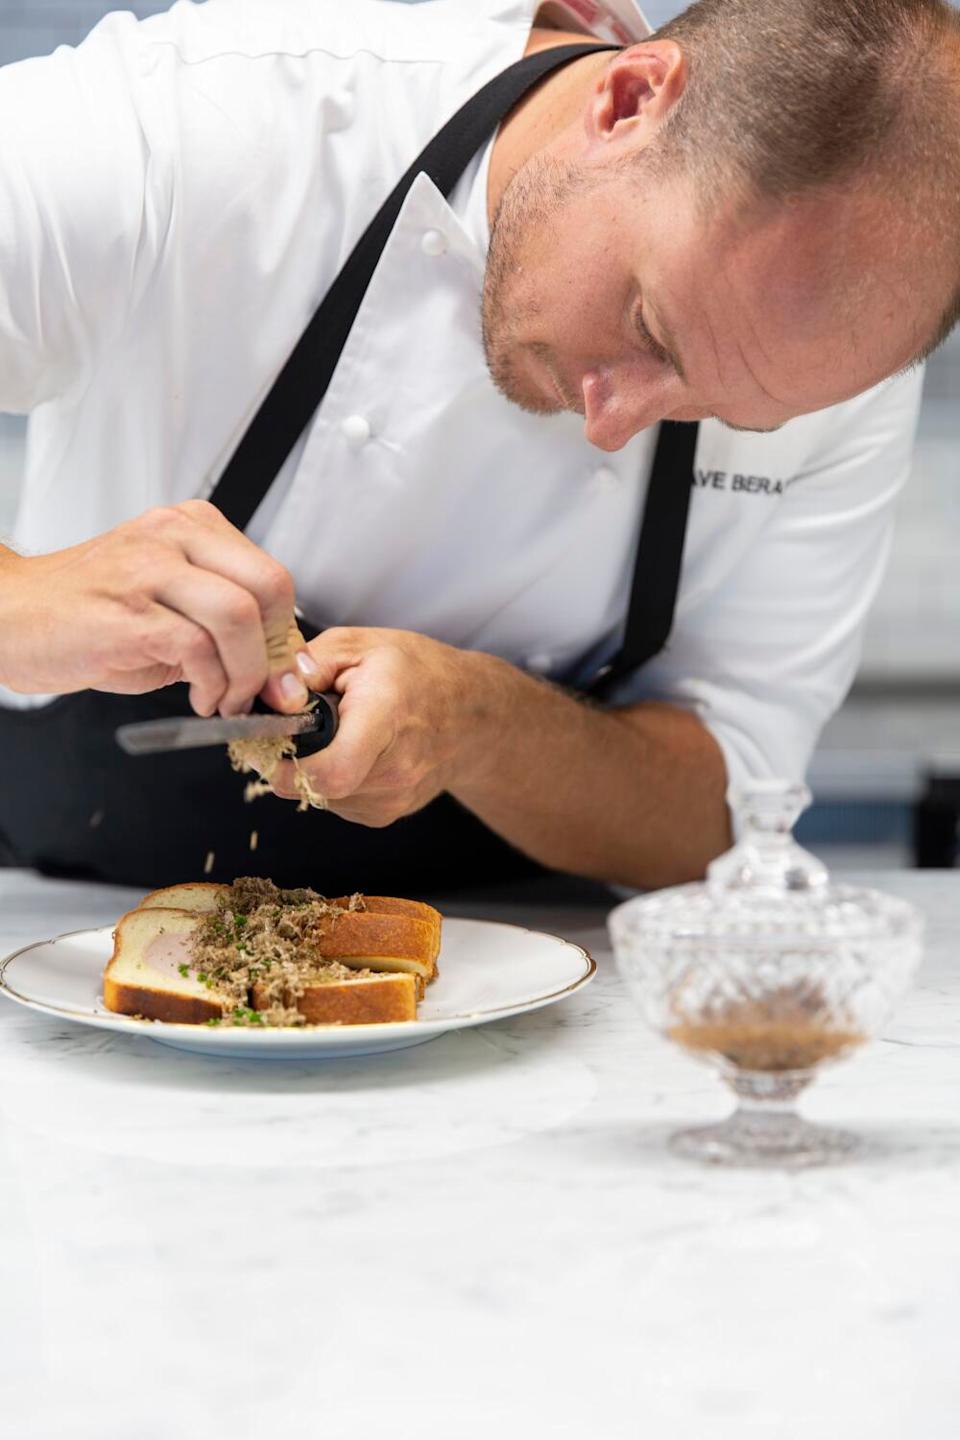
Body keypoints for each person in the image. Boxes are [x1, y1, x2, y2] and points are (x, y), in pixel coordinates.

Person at [0, 0, 956, 894]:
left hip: (539, 1009)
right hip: (60, 936)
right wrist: (26, 606)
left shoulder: (835, 375)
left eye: (725, 414)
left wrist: (479, 725)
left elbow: (724, 815)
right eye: (648, 329)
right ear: (625, 102)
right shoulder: (209, 116)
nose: (612, 426)